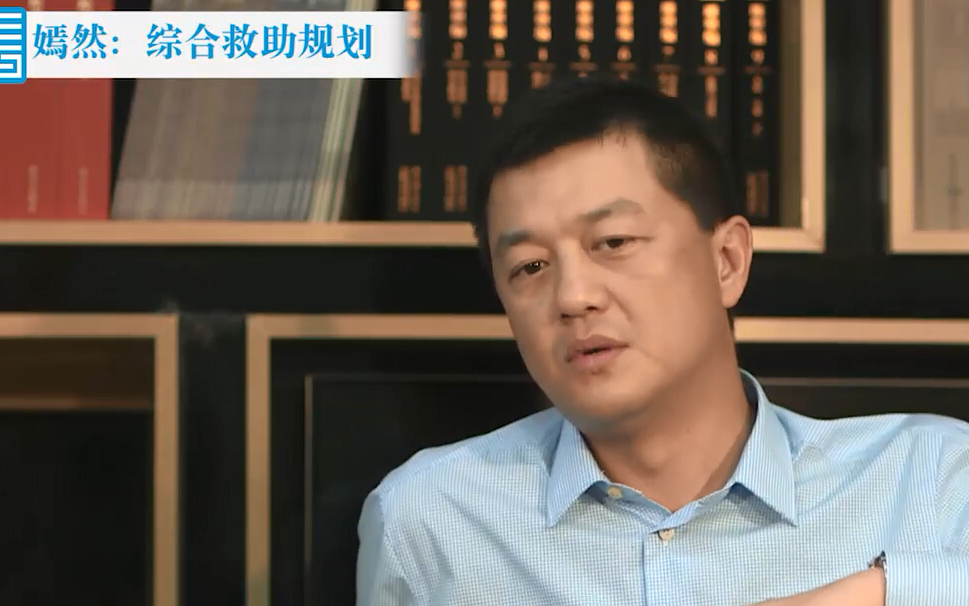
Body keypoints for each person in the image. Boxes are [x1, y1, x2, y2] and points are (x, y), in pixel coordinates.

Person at [355, 76, 969, 605]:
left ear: (727, 260)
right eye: (530, 266)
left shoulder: (931, 479)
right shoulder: (431, 519)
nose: (573, 296)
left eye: (613, 242)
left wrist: (875, 591)